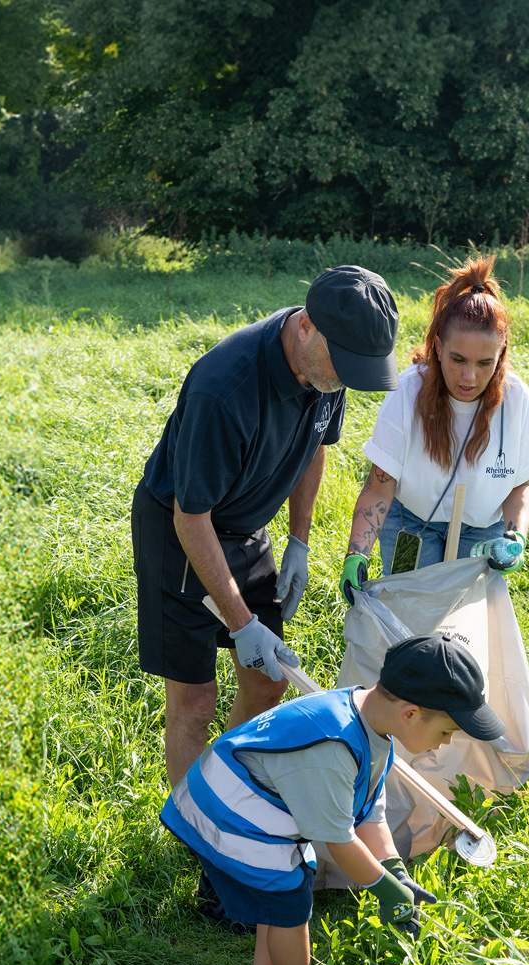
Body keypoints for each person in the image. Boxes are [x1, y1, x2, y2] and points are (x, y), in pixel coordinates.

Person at [133, 265, 399, 790]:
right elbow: (191, 517)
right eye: (344, 364)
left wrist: (299, 540)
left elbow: (315, 448)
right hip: (180, 536)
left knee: (268, 681)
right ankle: (192, 819)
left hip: (247, 527)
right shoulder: (224, 389)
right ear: (306, 326)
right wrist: (240, 623)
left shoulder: (327, 367)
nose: (346, 379)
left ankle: (228, 794)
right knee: (195, 702)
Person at [160, 634, 504, 965]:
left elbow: (369, 813)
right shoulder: (334, 747)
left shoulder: (372, 726)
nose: (445, 743)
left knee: (286, 888)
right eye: (446, 732)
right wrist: (385, 889)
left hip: (254, 808)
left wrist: (395, 871)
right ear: (409, 713)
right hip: (227, 812)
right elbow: (340, 841)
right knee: (290, 903)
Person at [340, 256, 529, 604]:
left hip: (481, 533)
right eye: (458, 359)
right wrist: (356, 555)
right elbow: (379, 487)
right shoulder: (407, 393)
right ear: (438, 348)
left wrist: (516, 538)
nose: (469, 377)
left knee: (464, 623)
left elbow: (520, 486)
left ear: (501, 353)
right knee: (411, 614)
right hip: (410, 524)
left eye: (485, 363)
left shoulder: (518, 401)